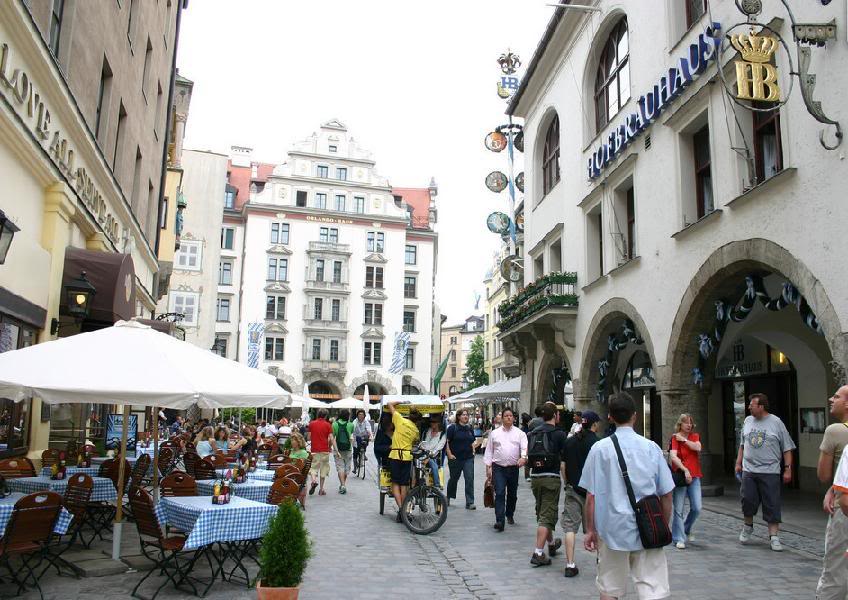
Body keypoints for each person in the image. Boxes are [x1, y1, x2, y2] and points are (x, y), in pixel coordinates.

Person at [580, 392, 675, 600]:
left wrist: (590, 530)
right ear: (635, 415)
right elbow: (667, 493)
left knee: (609, 589)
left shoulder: (599, 449)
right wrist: (663, 524)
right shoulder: (651, 448)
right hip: (648, 527)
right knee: (652, 590)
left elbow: (591, 496)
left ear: (610, 417)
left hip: (612, 530)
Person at [735, 393, 796, 551]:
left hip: (770, 471)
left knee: (772, 503)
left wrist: (788, 469)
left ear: (761, 406)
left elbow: (787, 448)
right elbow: (742, 444)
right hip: (749, 469)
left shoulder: (776, 422)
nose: (749, 407)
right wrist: (738, 462)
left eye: (752, 405)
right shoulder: (748, 421)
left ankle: (773, 536)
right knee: (747, 499)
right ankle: (748, 526)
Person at [817, 385, 848, 599]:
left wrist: (832, 489)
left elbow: (823, 474)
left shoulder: (835, 431)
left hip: (844, 509)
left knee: (836, 570)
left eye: (836, 396)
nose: (831, 399)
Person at [527, 402, 568, 567]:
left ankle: (551, 544)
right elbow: (564, 461)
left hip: (535, 477)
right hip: (551, 477)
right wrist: (567, 481)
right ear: (555, 416)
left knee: (542, 511)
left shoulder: (533, 432)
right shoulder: (559, 434)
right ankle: (538, 553)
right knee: (546, 515)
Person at [561, 410, 601, 578]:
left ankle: (570, 564)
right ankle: (601, 560)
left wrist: (567, 483)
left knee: (570, 527)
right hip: (594, 492)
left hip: (573, 489)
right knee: (598, 527)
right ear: (594, 424)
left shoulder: (570, 441)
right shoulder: (598, 444)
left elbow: (563, 466)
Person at [484, 407, 528, 531]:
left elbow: (524, 448)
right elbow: (489, 451)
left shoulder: (520, 433)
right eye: (506, 416)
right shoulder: (495, 433)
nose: (509, 417)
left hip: (513, 468)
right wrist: (488, 467)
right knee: (500, 493)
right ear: (502, 418)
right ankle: (500, 520)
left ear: (513, 418)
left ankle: (509, 513)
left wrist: (523, 458)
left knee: (512, 494)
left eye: (510, 416)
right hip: (498, 467)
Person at [669, 413, 703, 550]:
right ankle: (678, 538)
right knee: (678, 509)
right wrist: (685, 470)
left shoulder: (694, 436)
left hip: (695, 476)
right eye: (686, 422)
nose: (689, 425)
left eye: (690, 422)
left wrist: (683, 440)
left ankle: (685, 528)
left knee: (697, 507)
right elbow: (673, 456)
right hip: (681, 477)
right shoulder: (674, 438)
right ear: (680, 424)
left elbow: (698, 447)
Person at [386, 401, 420, 522]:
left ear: (409, 416)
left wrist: (401, 401)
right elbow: (415, 442)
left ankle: (401, 509)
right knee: (404, 484)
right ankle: (404, 510)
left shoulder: (400, 420)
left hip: (395, 455)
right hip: (406, 457)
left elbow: (389, 404)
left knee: (395, 483)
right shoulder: (416, 430)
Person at [446, 408, 480, 509]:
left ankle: (470, 502)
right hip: (455, 458)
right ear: (458, 417)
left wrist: (473, 449)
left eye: (467, 415)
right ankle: (448, 496)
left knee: (469, 479)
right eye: (463, 415)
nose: (466, 416)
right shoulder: (452, 428)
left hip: (468, 458)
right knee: (453, 479)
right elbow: (446, 442)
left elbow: (472, 441)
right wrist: (449, 454)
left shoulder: (469, 428)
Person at [307, 409, 334, 496]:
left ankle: (314, 481)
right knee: (323, 469)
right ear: (326, 416)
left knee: (313, 468)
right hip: (324, 450)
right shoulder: (328, 425)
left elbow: (308, 437)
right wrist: (333, 448)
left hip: (314, 449)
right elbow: (331, 438)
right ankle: (321, 490)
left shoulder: (312, 424)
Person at [420, 415, 447, 487]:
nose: (432, 423)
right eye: (431, 422)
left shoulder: (442, 435)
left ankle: (436, 485)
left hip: (432, 455)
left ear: (439, 423)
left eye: (434, 422)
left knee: (433, 465)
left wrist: (428, 456)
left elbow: (438, 448)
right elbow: (423, 442)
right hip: (422, 452)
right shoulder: (427, 431)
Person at [332, 409, 355, 494]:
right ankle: (343, 484)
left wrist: (334, 448)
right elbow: (351, 434)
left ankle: (342, 485)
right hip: (348, 449)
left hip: (338, 449)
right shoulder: (351, 424)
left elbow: (332, 437)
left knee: (340, 468)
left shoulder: (334, 424)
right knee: (346, 468)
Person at [289, 432, 310, 509]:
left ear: (299, 442)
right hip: (290, 472)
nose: (292, 442)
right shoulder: (292, 451)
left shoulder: (303, 452)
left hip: (297, 475)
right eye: (291, 440)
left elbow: (301, 467)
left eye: (293, 440)